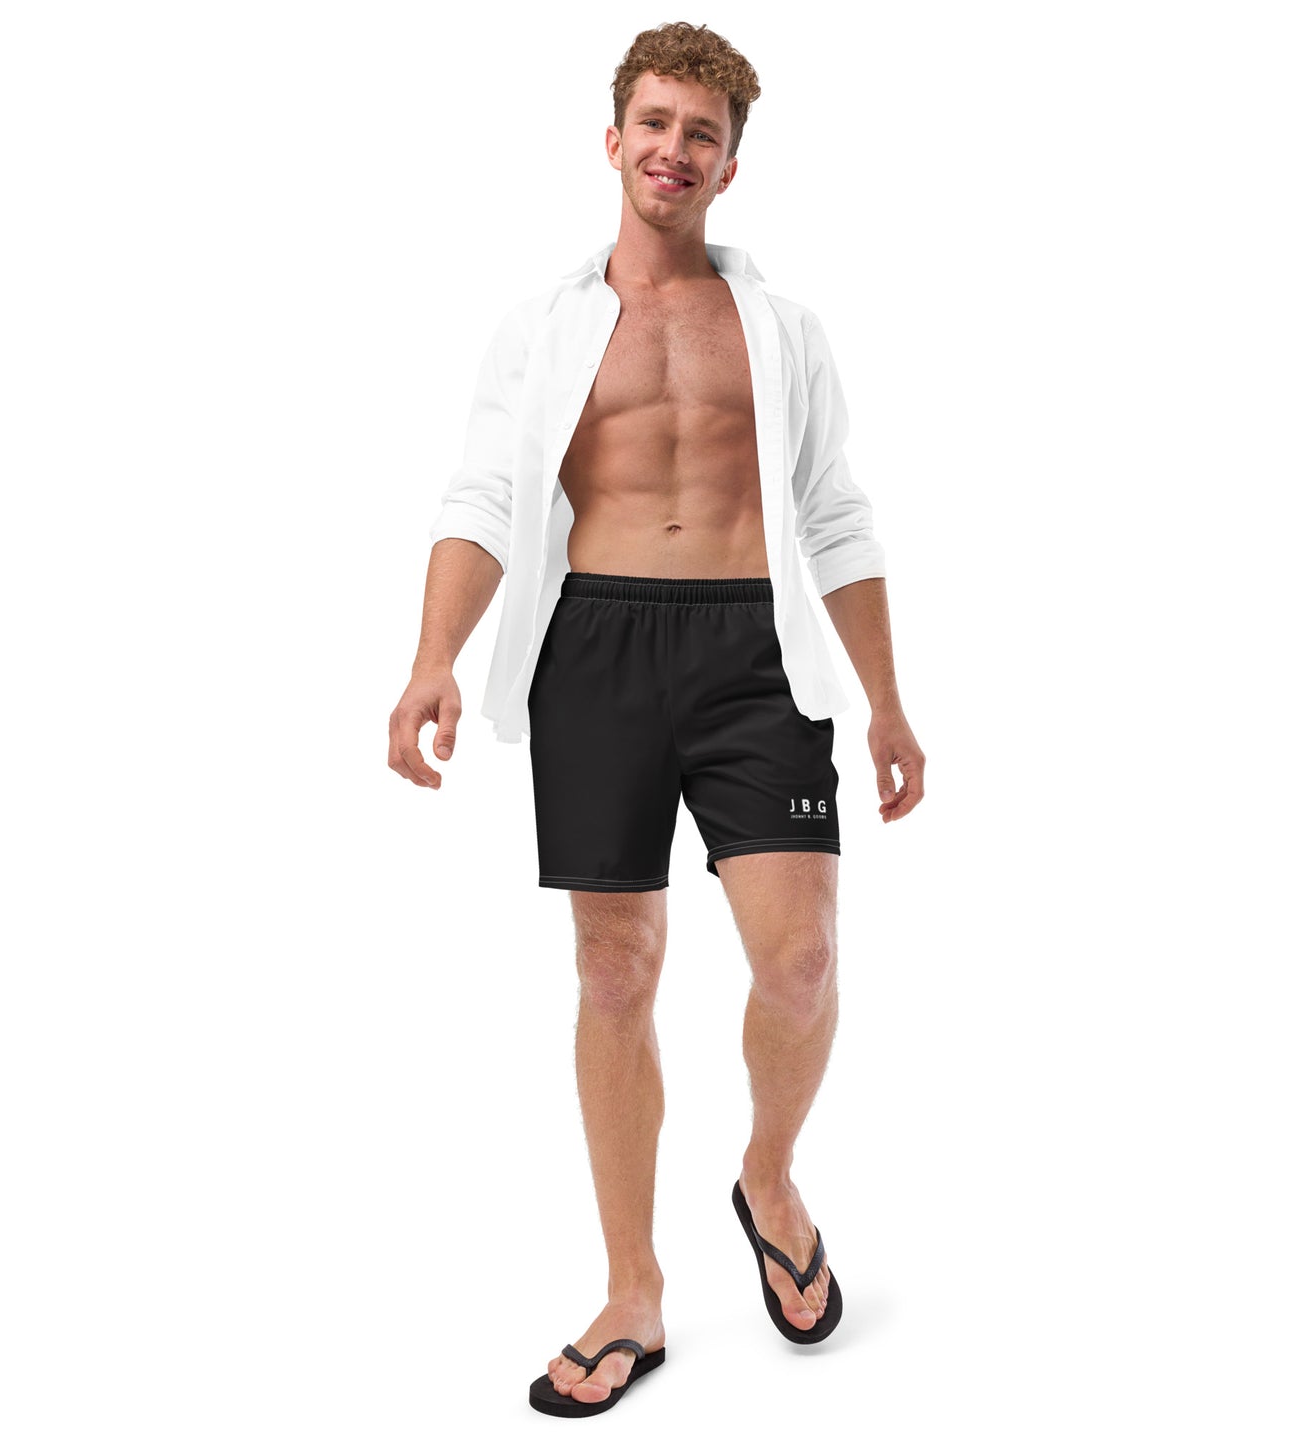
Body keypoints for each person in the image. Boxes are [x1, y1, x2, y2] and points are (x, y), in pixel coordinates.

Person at [388, 21, 925, 1418]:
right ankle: (634, 1291)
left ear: (729, 165)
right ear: (613, 137)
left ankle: (768, 1176)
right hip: (596, 646)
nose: (673, 150)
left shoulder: (784, 331)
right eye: (656, 123)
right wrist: (434, 657)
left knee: (801, 959)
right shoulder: (541, 327)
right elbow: (481, 497)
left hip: (757, 650)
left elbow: (834, 512)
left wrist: (884, 700)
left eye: (702, 133)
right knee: (616, 971)